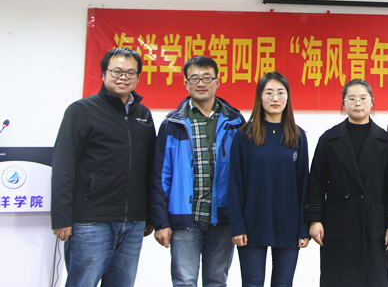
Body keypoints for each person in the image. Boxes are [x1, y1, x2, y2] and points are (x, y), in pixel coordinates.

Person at [51, 47, 156, 287]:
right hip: (91, 221)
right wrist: (61, 217)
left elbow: (149, 167)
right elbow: (63, 166)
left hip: (133, 223)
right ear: (103, 73)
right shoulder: (81, 110)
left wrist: (149, 215)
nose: (123, 77)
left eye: (130, 73)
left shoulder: (143, 114)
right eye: (117, 71)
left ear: (138, 77)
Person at [151, 56, 245, 287]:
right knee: (184, 281)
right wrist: (161, 221)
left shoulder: (235, 122)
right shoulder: (173, 124)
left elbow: (245, 174)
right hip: (185, 219)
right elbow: (161, 176)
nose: (201, 83)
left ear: (217, 82)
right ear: (186, 83)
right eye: (194, 78)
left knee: (217, 281)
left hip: (223, 219)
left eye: (206, 78)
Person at [305, 79, 388, 287]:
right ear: (344, 104)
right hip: (338, 225)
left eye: (363, 98)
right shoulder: (329, 139)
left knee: (372, 280)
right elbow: (316, 183)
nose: (357, 103)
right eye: (351, 99)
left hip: (373, 226)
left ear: (372, 102)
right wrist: (315, 220)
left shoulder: (386, 141)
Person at [227, 71, 309, 287]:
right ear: (259, 97)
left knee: (283, 284)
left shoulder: (298, 136)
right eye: (269, 92)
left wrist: (304, 227)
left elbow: (303, 185)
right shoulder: (244, 135)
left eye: (281, 93)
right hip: (252, 223)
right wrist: (237, 226)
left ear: (288, 98)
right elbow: (234, 183)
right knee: (252, 282)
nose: (275, 98)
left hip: (288, 225)